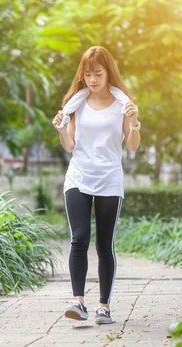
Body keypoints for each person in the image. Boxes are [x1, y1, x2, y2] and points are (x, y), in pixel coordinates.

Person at [51, 45, 141, 325]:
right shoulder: (75, 103)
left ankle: (104, 307)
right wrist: (60, 130)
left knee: (105, 243)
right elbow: (70, 145)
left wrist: (135, 122)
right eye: (88, 74)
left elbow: (133, 146)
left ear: (108, 72)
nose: (92, 79)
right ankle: (78, 303)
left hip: (109, 179)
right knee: (79, 238)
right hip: (78, 176)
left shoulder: (122, 104)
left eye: (98, 73)